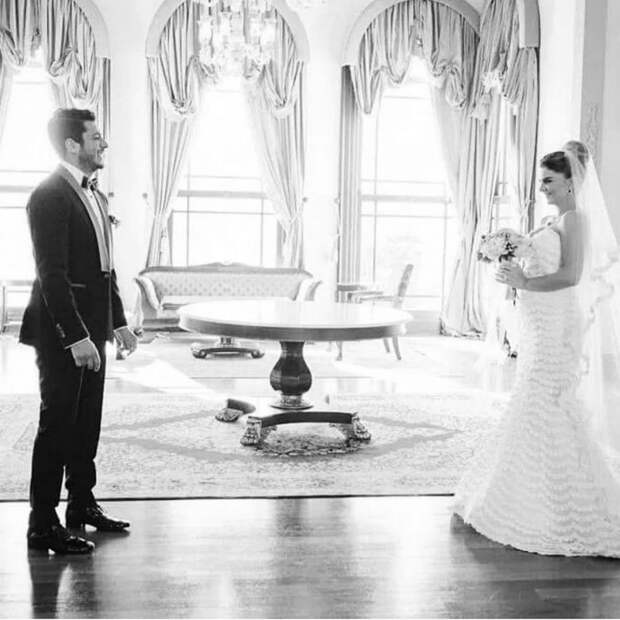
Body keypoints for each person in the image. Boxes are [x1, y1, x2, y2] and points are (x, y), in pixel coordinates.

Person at [453, 141, 620, 556]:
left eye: (548, 180)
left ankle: (555, 502)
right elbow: (541, 264)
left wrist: (525, 282)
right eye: (541, 180)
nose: (542, 187)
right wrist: (513, 269)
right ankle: (527, 490)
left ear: (570, 182)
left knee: (543, 399)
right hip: (536, 321)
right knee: (533, 398)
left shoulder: (575, 219)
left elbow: (572, 275)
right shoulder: (553, 219)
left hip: (556, 323)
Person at [20, 108, 138, 554]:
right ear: (72, 144)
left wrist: (118, 321)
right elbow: (51, 274)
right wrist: (75, 336)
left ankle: (81, 504)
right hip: (62, 333)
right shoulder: (49, 195)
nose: (103, 143)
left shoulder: (96, 195)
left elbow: (105, 268)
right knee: (58, 424)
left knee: (87, 422)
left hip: (94, 330)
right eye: (95, 137)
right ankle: (42, 523)